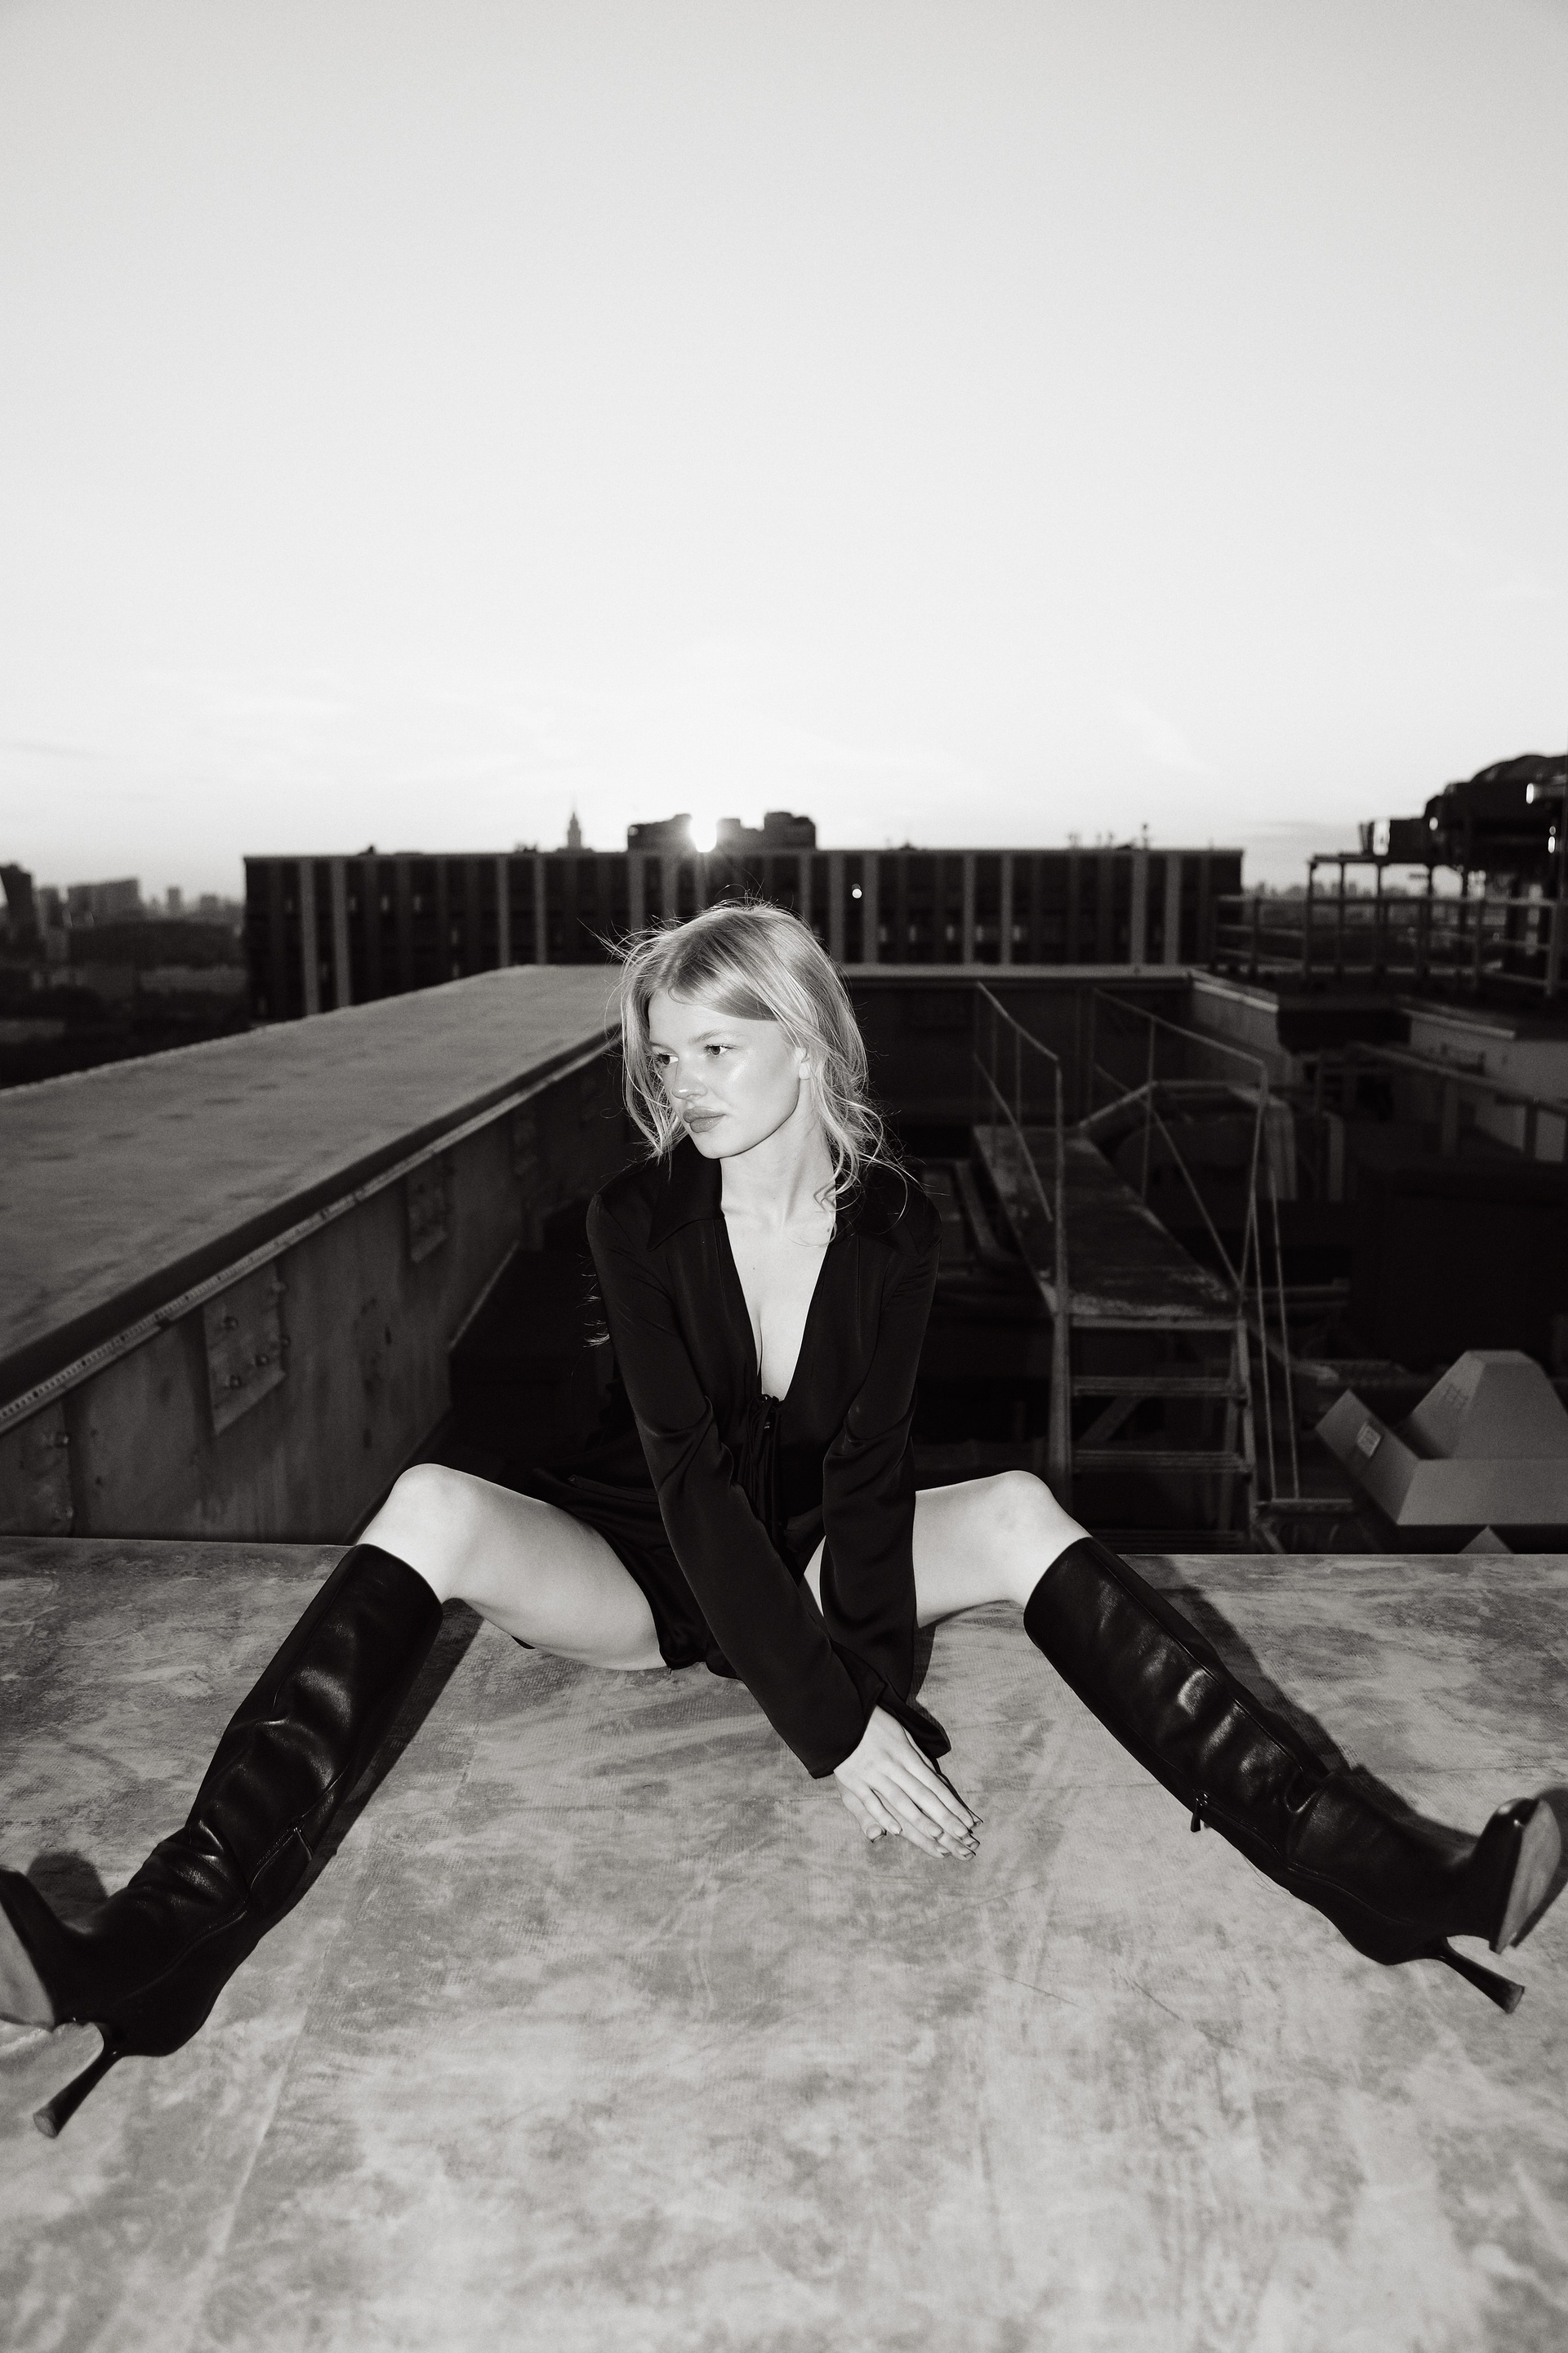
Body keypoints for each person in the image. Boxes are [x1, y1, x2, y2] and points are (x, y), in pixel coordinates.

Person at [2, 903, 1560, 2139]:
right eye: (664, 1053)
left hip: (815, 1564)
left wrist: (863, 1683)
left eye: (714, 1047)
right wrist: (833, 1733)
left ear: (806, 1043)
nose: (680, 1081)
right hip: (637, 1563)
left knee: (1019, 1507)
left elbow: (872, 1479)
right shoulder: (634, 1218)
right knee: (429, 1502)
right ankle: (157, 1942)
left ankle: (1385, 1874)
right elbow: (685, 1480)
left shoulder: (896, 1226)